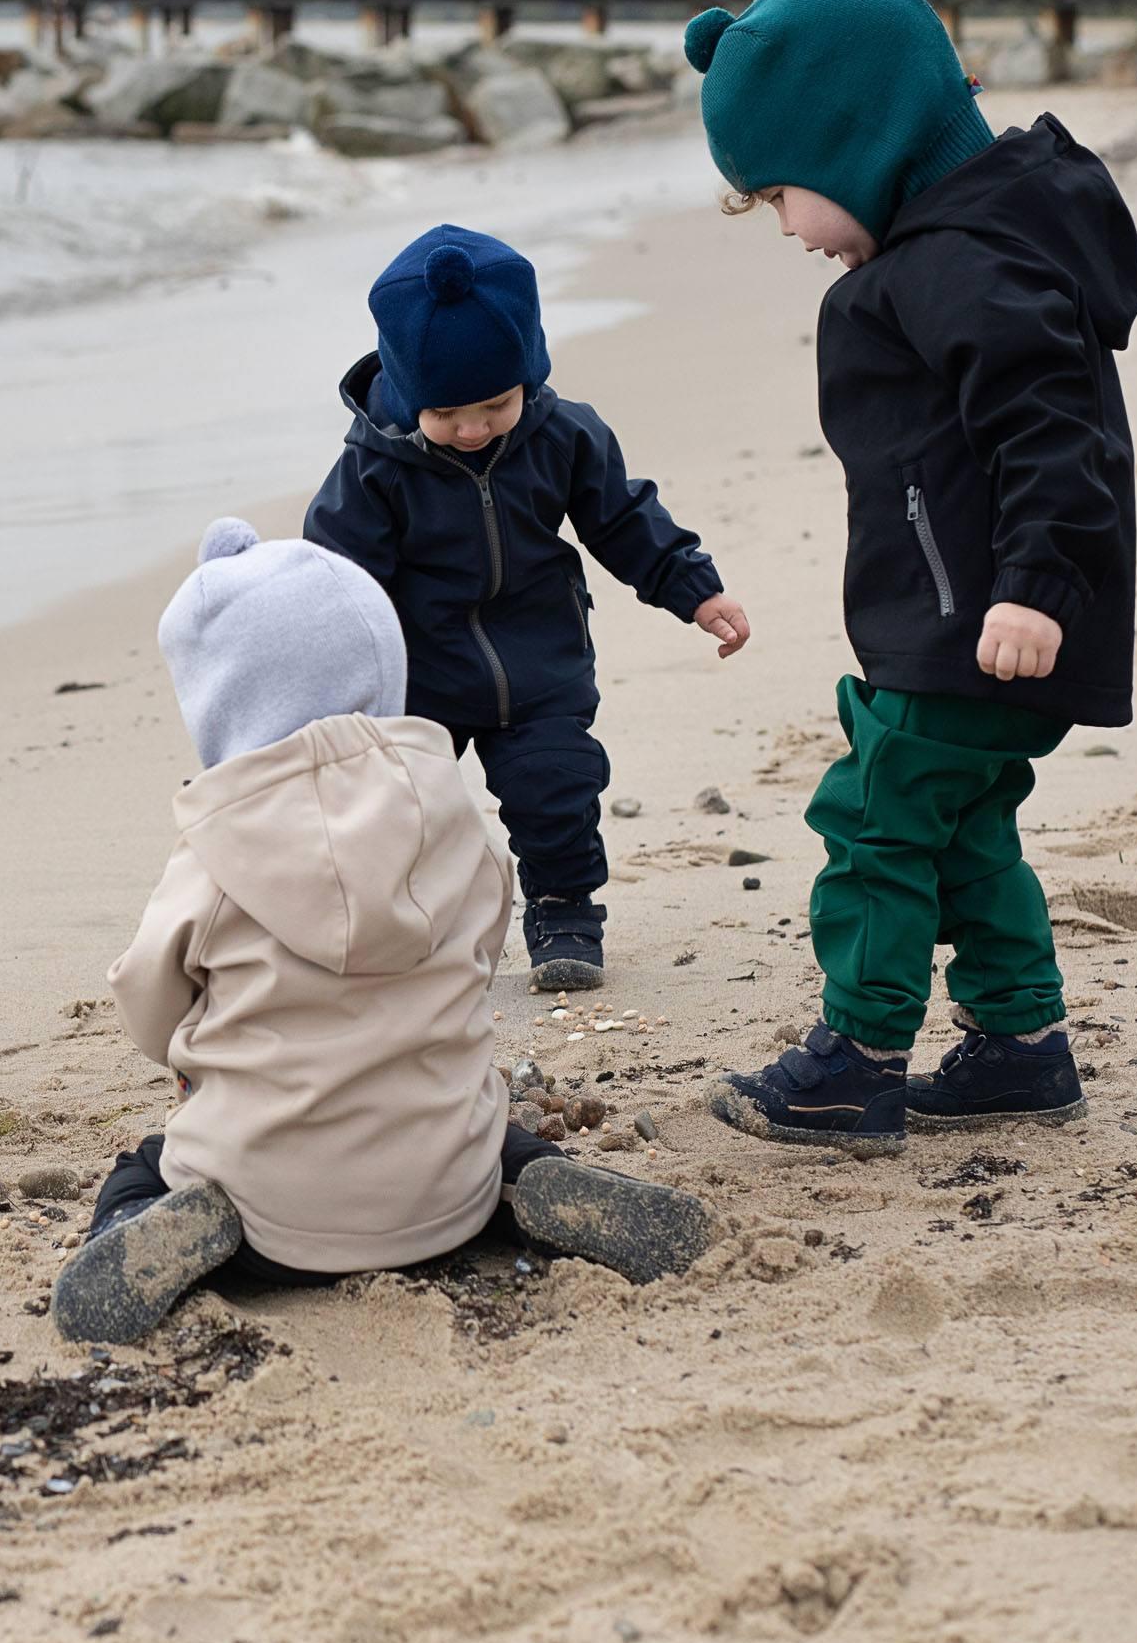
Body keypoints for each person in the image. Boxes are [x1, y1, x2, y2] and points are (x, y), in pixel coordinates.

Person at [52, 520, 713, 1344]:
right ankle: (531, 1181)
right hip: (446, 1204)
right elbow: (475, 961)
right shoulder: (456, 822)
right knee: (486, 1131)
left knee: (144, 1166)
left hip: (269, 1223)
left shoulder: (213, 857)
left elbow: (148, 1008)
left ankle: (142, 1224)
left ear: (218, 700)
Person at [683, 0, 1137, 1155]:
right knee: (965, 827)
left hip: (982, 618)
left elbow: (1053, 430)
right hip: (966, 614)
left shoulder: (962, 262)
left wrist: (1033, 585)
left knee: (876, 819)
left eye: (782, 192)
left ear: (858, 140)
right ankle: (1020, 1046)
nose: (787, 227)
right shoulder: (955, 243)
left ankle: (855, 1060)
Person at [304, 225, 750, 992]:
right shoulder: (373, 470)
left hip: (541, 657)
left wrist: (692, 586)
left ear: (529, 376)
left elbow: (620, 517)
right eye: (447, 414)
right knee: (401, 817)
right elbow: (336, 583)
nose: (473, 429)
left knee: (559, 788)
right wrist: (327, 682)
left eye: (495, 404)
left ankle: (564, 910)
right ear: (410, 392)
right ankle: (408, 935)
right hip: (422, 678)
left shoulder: (562, 432)